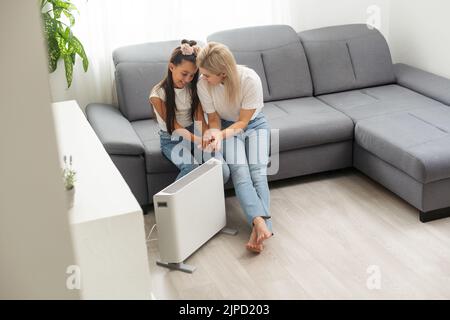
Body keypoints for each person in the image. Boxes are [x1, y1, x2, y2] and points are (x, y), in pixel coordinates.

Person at [196, 42, 273, 253]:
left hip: (253, 124)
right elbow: (213, 118)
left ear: (222, 73)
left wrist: (221, 134)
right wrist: (215, 134)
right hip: (226, 126)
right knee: (241, 171)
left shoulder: (250, 80)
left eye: (207, 75)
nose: (202, 78)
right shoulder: (203, 85)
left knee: (258, 171)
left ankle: (258, 229)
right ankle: (260, 225)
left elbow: (244, 122)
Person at [149, 40, 230, 182]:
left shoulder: (193, 88)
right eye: (184, 73)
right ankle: (173, 203)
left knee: (222, 171)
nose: (187, 79)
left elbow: (199, 117)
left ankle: (204, 199)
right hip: (172, 140)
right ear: (171, 67)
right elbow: (174, 126)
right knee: (191, 168)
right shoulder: (157, 95)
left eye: (192, 75)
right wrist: (198, 140)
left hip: (194, 133)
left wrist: (206, 136)